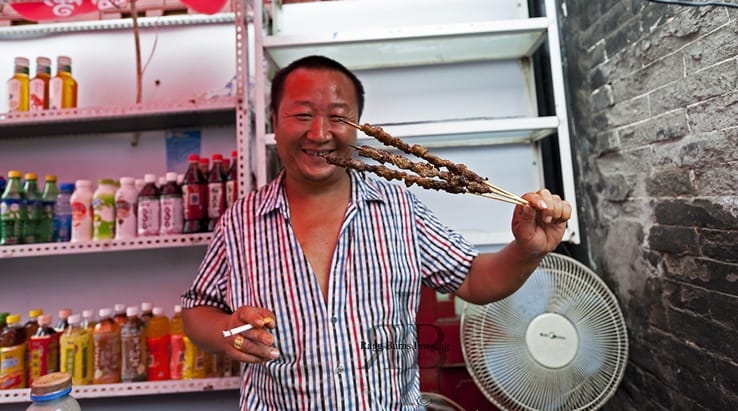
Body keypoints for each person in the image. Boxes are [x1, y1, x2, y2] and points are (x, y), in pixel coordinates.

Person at [181, 55, 572, 410]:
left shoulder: (399, 208)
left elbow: (471, 277)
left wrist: (526, 251)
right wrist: (225, 330)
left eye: (338, 117)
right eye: (302, 115)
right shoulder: (241, 220)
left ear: (360, 126)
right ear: (274, 120)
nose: (319, 133)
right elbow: (197, 308)